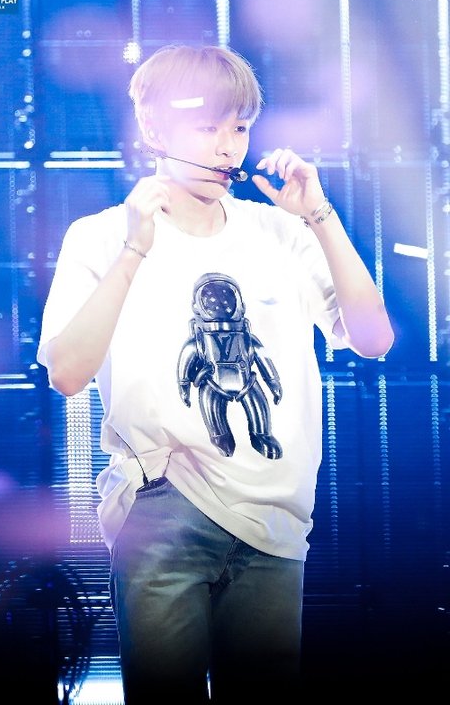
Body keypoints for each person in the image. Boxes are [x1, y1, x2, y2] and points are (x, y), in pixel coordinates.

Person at [37, 44, 394, 702]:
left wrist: (318, 215)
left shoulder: (281, 233)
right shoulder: (100, 235)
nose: (229, 146)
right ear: (153, 128)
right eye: (208, 127)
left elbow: (374, 339)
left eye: (241, 127)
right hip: (164, 504)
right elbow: (66, 373)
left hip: (277, 517)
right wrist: (135, 247)